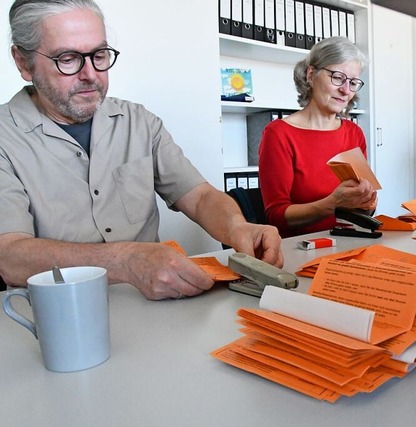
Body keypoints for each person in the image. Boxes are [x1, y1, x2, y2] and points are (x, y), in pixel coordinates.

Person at [0, 0, 283, 300]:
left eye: (99, 55)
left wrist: (237, 226)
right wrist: (125, 261)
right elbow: (11, 255)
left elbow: (199, 196)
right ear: (22, 62)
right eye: (68, 59)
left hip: (153, 311)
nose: (91, 75)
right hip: (51, 319)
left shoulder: (139, 121)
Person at [258, 36, 378, 238]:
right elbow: (276, 216)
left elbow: (363, 211)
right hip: (300, 248)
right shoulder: (279, 134)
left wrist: (366, 201)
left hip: (349, 242)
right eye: (338, 77)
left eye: (353, 82)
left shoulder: (353, 133)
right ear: (311, 74)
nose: (346, 90)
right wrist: (332, 204)